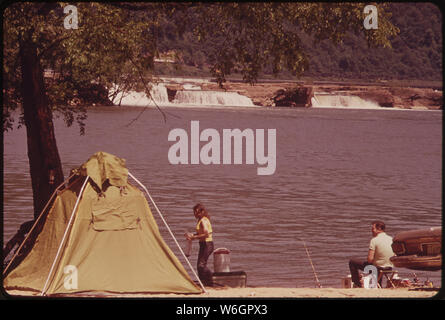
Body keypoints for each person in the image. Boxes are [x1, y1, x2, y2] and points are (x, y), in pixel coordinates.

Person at [348, 221, 395, 288]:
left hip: (377, 269)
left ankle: (357, 284)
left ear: (379, 229)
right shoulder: (391, 239)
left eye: (373, 229)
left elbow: (370, 259)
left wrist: (369, 261)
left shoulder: (374, 240)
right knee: (378, 263)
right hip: (389, 268)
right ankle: (378, 285)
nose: (371, 231)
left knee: (352, 262)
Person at [185, 203, 214, 286]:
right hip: (203, 244)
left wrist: (194, 237)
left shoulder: (204, 221)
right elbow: (199, 234)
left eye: (197, 212)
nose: (195, 214)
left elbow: (206, 234)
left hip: (207, 244)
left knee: (201, 265)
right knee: (199, 266)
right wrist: (192, 235)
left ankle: (210, 280)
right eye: (194, 212)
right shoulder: (200, 220)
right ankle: (203, 282)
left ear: (202, 212)